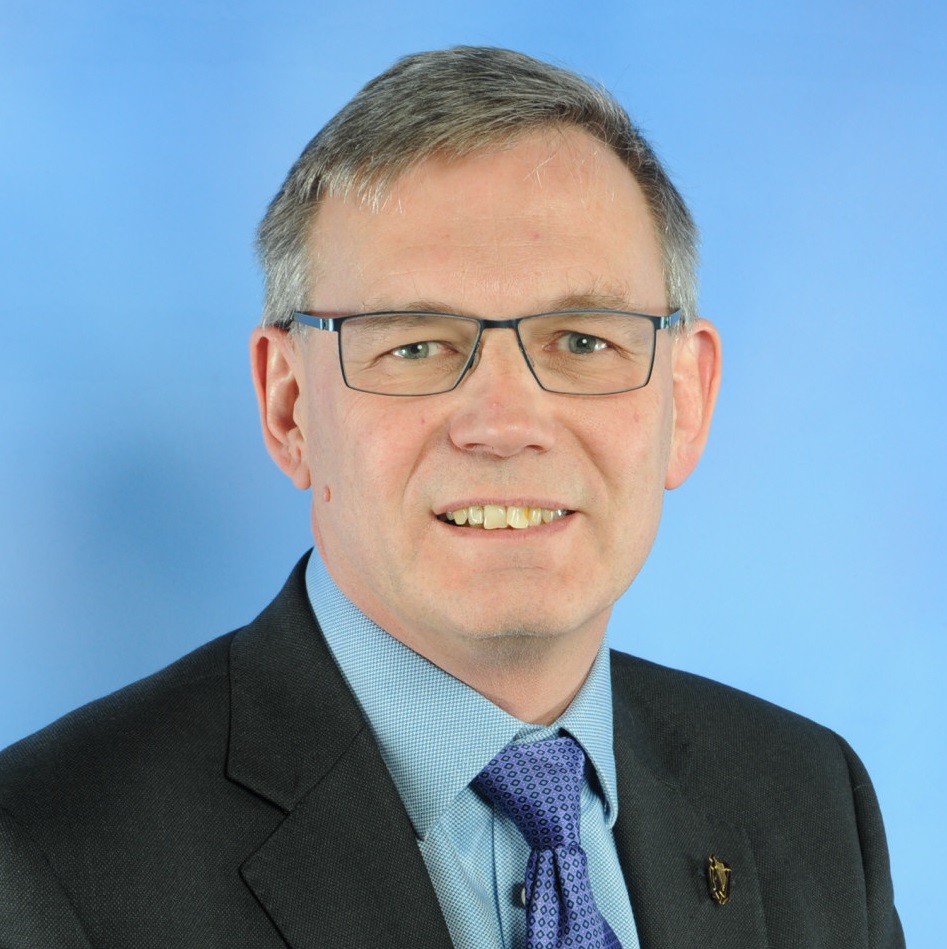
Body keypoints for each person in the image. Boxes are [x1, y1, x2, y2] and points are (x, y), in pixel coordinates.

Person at [0, 46, 902, 949]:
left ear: (687, 400)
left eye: (582, 342)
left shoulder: (808, 798)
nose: (505, 424)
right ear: (289, 405)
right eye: (415, 345)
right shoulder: (46, 852)